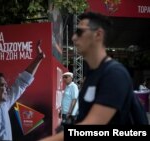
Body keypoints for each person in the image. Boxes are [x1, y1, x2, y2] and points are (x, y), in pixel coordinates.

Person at [40, 12, 141, 141]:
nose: (74, 38)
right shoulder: (91, 76)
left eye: (79, 32)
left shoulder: (114, 74)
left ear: (98, 34)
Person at [0, 40, 45, 140]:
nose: (7, 88)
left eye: (6, 85)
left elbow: (22, 83)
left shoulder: (5, 103)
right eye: (3, 85)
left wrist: (38, 59)